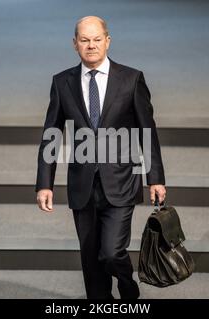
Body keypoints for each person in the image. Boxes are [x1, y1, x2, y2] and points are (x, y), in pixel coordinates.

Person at [36, 16, 166, 299]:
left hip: (121, 180)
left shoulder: (131, 79)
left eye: (97, 39)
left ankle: (127, 285)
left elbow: (147, 130)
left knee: (111, 252)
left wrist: (155, 178)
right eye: (84, 40)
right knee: (91, 264)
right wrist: (44, 184)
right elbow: (51, 135)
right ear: (75, 44)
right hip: (82, 185)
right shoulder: (62, 82)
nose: (91, 45)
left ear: (108, 41)